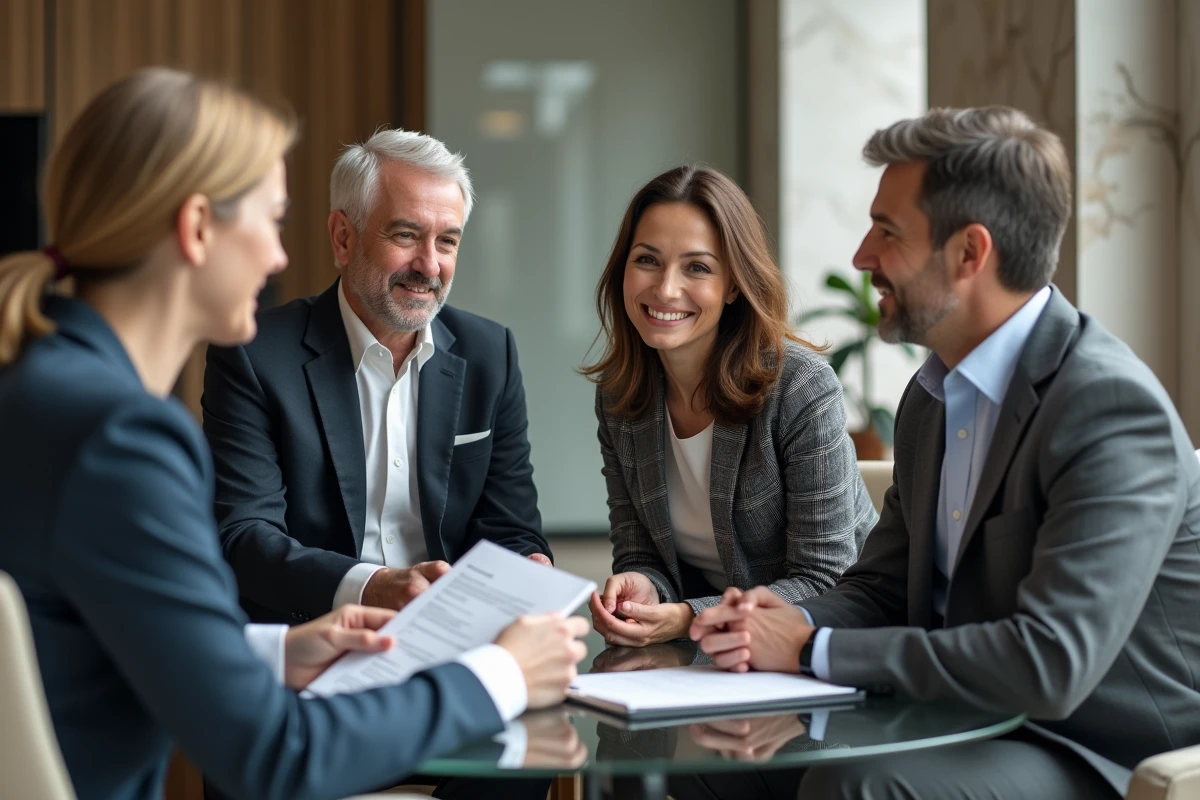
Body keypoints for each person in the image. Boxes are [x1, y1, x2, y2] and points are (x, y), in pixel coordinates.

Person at [0, 67, 587, 800]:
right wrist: (501, 672)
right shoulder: (123, 436)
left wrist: (278, 650)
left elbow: (92, 633)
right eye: (272, 221)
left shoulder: (42, 385)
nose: (280, 257)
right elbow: (278, 754)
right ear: (197, 228)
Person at [691, 106, 1200, 799]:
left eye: (888, 231)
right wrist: (783, 621)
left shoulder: (1108, 409)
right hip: (965, 720)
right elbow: (881, 591)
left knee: (859, 789)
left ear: (970, 253)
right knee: (727, 767)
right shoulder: (931, 398)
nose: (862, 256)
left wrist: (811, 651)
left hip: (1100, 749)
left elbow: (1050, 663)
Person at [201, 128, 551, 627]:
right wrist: (371, 588)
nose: (429, 265)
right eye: (406, 235)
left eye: (447, 241)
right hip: (313, 636)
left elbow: (512, 528)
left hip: (453, 637)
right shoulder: (255, 356)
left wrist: (529, 565)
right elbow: (244, 536)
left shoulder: (490, 354)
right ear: (344, 238)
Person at [581, 165, 877, 649]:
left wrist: (686, 617)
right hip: (716, 658)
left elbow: (826, 578)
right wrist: (644, 588)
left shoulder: (800, 387)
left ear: (734, 285)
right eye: (647, 260)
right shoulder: (620, 396)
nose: (666, 289)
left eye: (697, 267)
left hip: (825, 647)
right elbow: (641, 551)